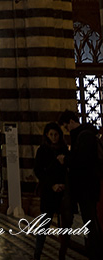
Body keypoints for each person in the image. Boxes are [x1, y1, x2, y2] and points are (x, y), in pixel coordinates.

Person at [58, 109, 102, 260]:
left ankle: (96, 252)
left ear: (71, 122)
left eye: (66, 126)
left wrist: (67, 160)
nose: (66, 130)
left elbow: (83, 162)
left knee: (90, 221)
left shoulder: (85, 136)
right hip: (84, 188)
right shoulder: (81, 136)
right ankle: (93, 250)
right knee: (89, 220)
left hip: (87, 188)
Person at [33, 122, 72, 260]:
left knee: (66, 225)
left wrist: (64, 185)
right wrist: (51, 185)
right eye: (51, 135)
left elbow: (69, 169)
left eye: (56, 134)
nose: (54, 137)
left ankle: (62, 254)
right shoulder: (42, 150)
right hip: (49, 192)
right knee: (45, 223)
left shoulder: (64, 149)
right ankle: (37, 253)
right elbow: (38, 171)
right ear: (47, 135)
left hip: (63, 193)